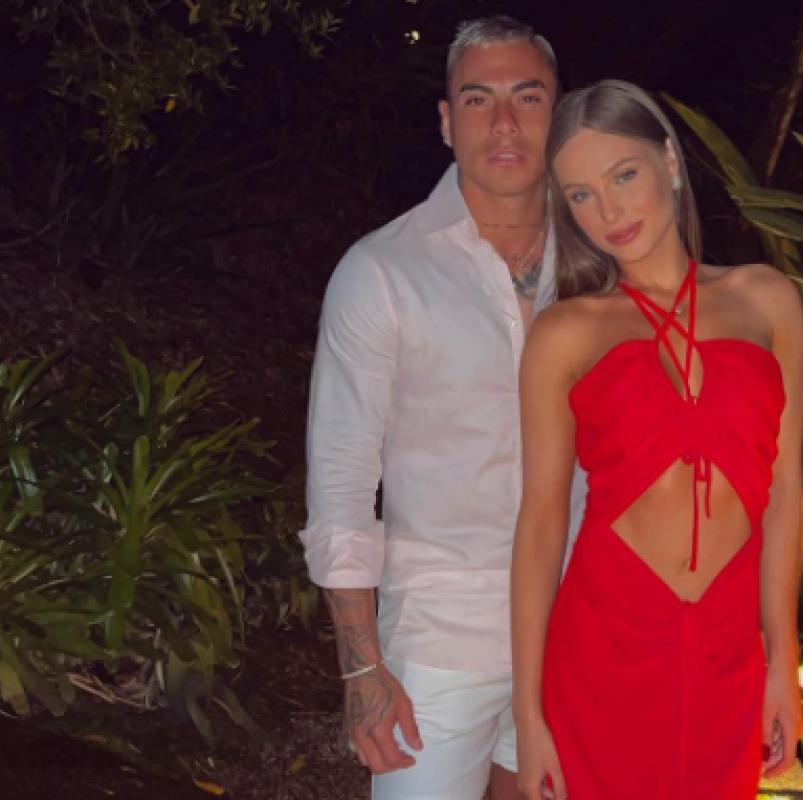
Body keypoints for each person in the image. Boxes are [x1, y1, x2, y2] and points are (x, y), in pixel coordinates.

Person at [300, 16, 581, 800]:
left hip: (580, 627)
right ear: (447, 122)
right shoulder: (383, 272)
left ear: (559, 114)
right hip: (442, 639)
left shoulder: (601, 261)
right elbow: (341, 482)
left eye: (528, 97)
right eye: (479, 99)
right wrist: (362, 668)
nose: (505, 122)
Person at [511, 80, 803, 800]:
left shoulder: (767, 299)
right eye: (581, 195)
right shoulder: (565, 333)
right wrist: (527, 714)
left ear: (670, 162)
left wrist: (782, 655)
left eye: (623, 176)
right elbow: (542, 523)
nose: (608, 212)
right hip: (604, 640)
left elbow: (782, 490)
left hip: (726, 646)